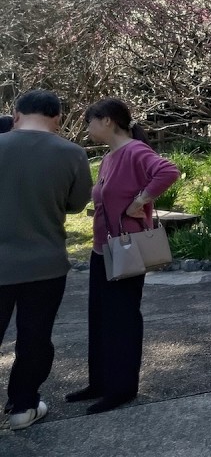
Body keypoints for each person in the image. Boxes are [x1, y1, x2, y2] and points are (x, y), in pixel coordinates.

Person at [69, 98, 178, 415]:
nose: (87, 128)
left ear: (107, 121)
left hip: (127, 249)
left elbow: (169, 171)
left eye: (90, 121)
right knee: (100, 318)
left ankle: (121, 389)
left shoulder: (134, 151)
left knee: (122, 319)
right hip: (103, 250)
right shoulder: (110, 157)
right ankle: (100, 382)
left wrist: (140, 201)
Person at [0, 90, 93, 430]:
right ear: (57, 117)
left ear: (16, 114)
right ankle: (23, 407)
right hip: (46, 263)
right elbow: (76, 204)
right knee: (35, 338)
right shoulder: (72, 153)